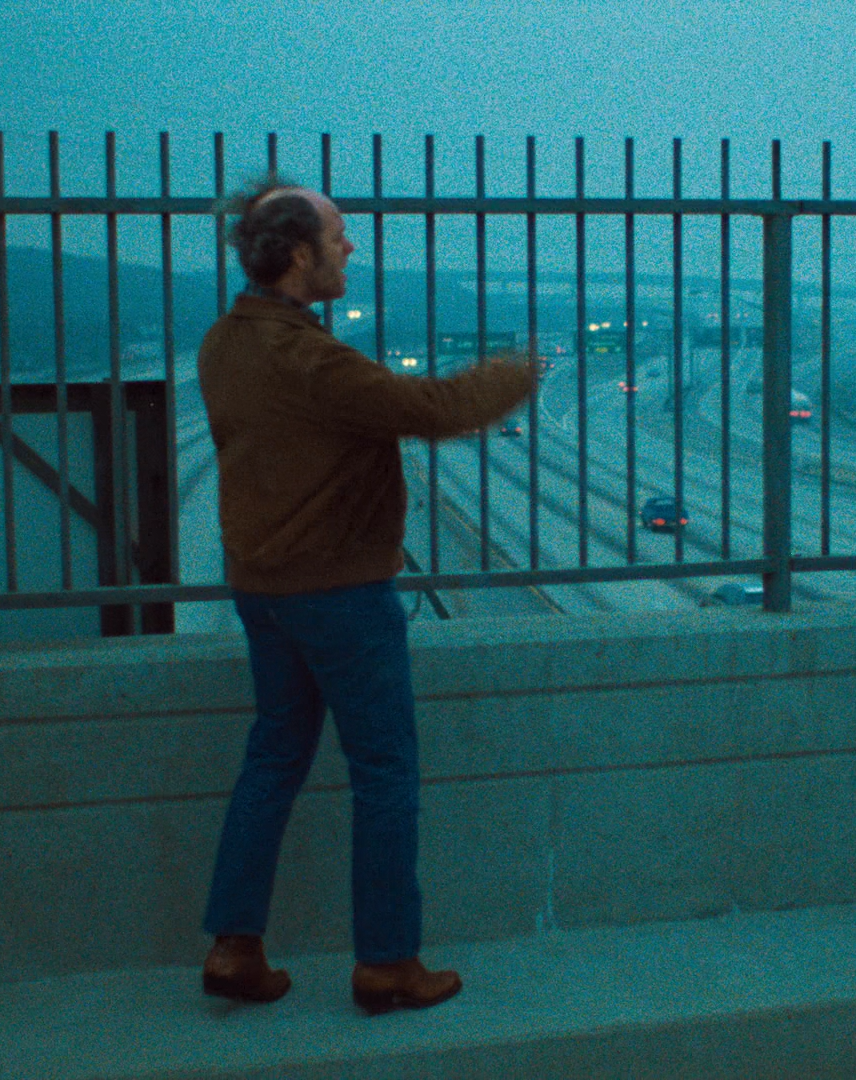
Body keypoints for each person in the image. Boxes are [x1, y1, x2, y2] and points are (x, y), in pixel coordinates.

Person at [196, 179, 536, 1011]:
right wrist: (516, 373)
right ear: (298, 254)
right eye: (339, 235)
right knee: (384, 770)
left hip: (263, 589)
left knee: (274, 757)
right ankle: (387, 963)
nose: (351, 246)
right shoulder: (308, 359)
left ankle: (235, 946)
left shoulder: (223, 343)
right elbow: (429, 407)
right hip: (339, 592)